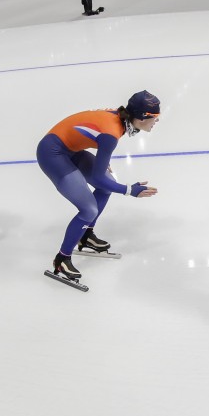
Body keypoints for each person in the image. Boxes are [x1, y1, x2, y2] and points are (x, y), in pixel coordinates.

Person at [38, 91, 161, 281]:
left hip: (70, 148)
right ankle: (62, 259)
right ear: (142, 117)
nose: (157, 122)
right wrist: (130, 190)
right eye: (155, 117)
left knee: (106, 185)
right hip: (52, 153)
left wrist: (103, 161)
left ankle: (85, 235)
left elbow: (88, 131)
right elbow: (98, 178)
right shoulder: (111, 133)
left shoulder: (120, 119)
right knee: (88, 209)